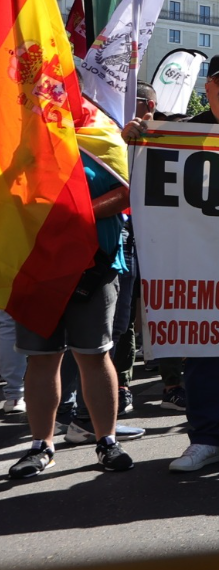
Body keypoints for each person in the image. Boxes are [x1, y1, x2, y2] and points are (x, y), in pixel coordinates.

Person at [124, 55, 219, 470]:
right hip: (198, 264)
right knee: (201, 352)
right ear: (207, 89)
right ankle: (205, 438)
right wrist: (137, 142)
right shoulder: (175, 135)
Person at [7, 116, 135, 478]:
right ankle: (41, 446)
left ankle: (106, 441)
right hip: (36, 263)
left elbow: (128, 190)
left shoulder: (101, 131)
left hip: (93, 265)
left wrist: (75, 217)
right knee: (42, 358)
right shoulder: (21, 134)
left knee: (94, 355)